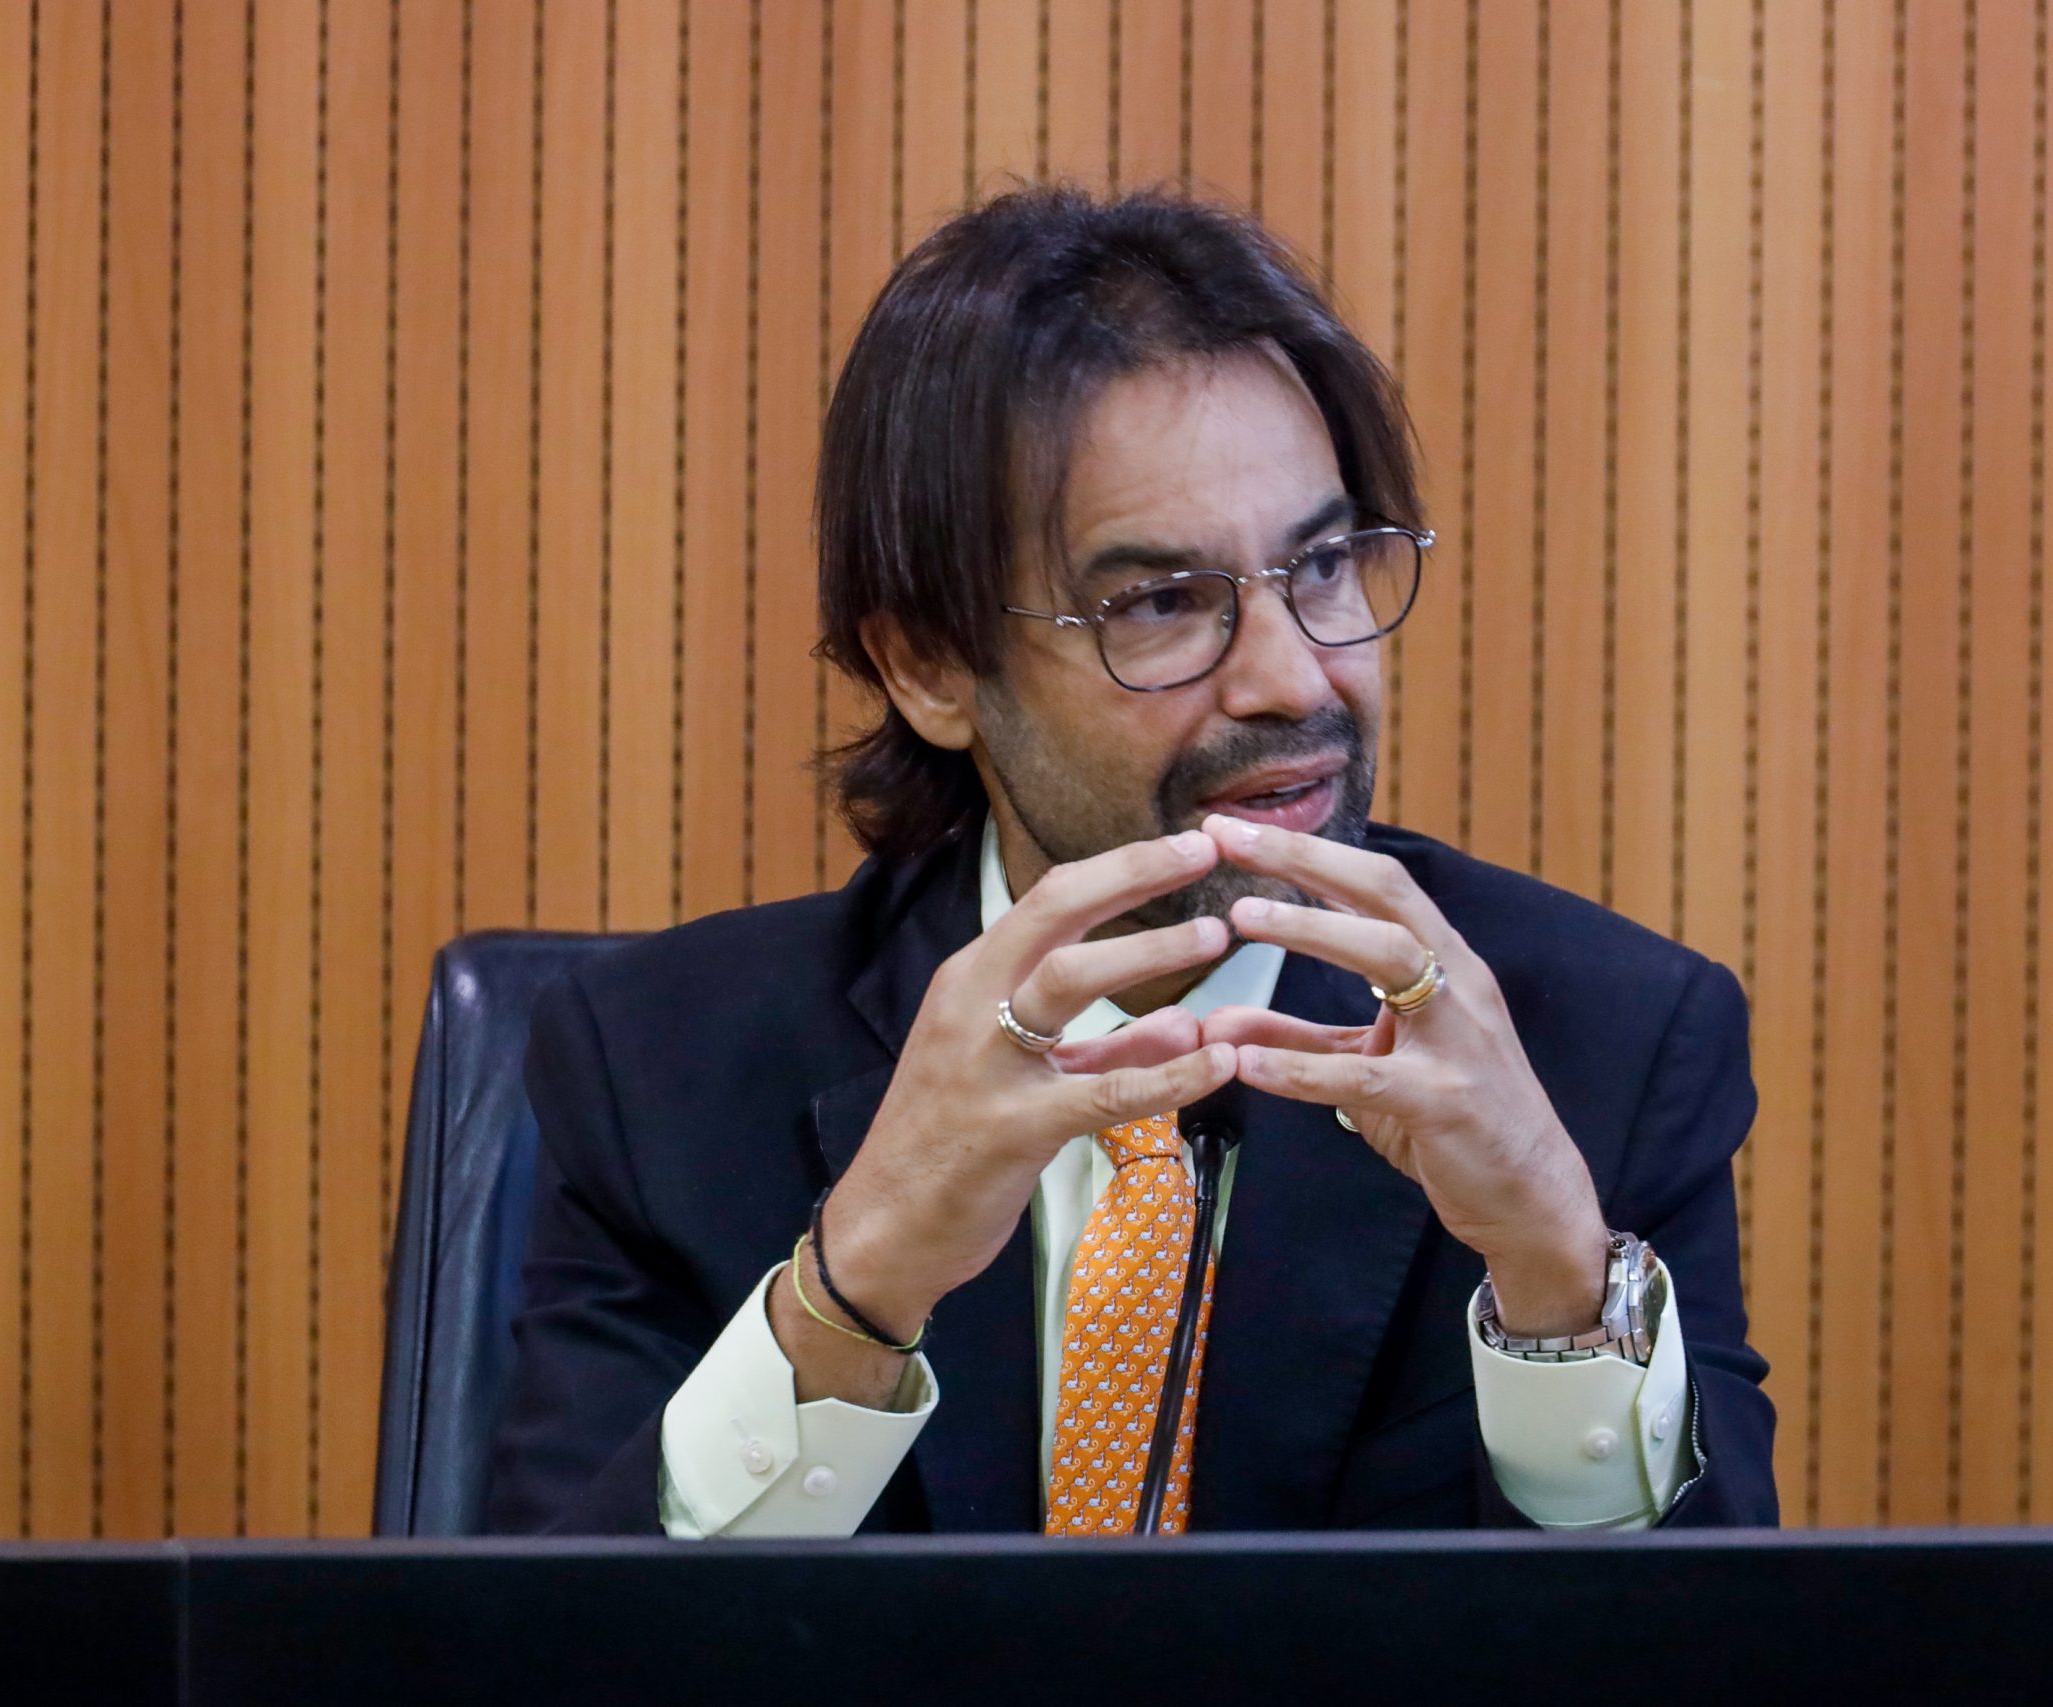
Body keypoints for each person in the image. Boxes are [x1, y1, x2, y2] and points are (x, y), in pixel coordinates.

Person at [484, 186, 1778, 1537]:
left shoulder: (1610, 1050)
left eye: (1324, 566)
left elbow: (1715, 1641)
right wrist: (851, 1295)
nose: (1294, 681)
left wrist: (1563, 1290)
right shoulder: (658, 1073)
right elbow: (548, 1639)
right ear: (929, 666)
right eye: (1162, 602)